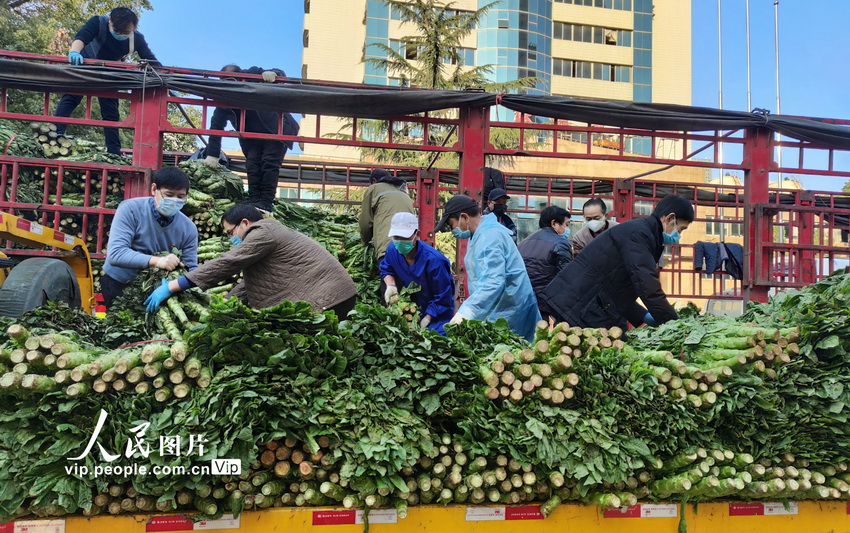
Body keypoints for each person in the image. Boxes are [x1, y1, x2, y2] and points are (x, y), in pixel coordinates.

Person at [144, 203, 357, 316]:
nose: (230, 239)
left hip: (330, 299)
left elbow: (228, 262)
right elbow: (251, 284)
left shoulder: (263, 231)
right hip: (336, 296)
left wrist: (174, 285)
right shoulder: (269, 232)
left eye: (230, 232)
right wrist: (223, 304)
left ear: (245, 223)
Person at [540, 194, 694, 329]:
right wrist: (673, 323)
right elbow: (647, 286)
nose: (678, 235)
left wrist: (642, 315)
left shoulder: (642, 233)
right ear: (669, 218)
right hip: (577, 303)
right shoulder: (639, 235)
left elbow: (617, 288)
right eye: (680, 229)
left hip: (584, 302)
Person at [54, 7, 160, 155]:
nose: (123, 35)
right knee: (71, 97)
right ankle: (55, 134)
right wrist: (74, 52)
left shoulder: (137, 38)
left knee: (110, 113)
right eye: (119, 32)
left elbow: (150, 59)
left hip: (110, 73)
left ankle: (114, 151)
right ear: (110, 21)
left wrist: (163, 75)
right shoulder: (98, 22)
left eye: (127, 32)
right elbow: (82, 37)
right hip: (86, 65)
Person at [435, 195, 541, 342]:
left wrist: (467, 311)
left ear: (464, 217)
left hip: (510, 311)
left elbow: (493, 283)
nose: (453, 230)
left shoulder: (489, 237)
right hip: (502, 308)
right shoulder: (480, 234)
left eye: (451, 224)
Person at [203, 64, 300, 212]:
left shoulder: (252, 74)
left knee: (269, 163)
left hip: (276, 128)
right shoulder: (224, 99)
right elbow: (216, 127)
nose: (230, 84)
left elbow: (280, 74)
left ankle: (266, 202)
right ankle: (254, 199)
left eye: (232, 80)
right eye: (225, 81)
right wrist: (213, 154)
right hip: (250, 137)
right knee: (253, 165)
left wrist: (272, 74)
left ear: (241, 75)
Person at [102, 167, 198, 307]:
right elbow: (116, 254)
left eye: (180, 196)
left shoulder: (188, 228)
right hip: (119, 284)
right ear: (154, 190)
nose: (174, 201)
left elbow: (191, 268)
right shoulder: (130, 209)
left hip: (157, 290)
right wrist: (158, 261)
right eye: (169, 194)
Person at [380, 213, 455, 335]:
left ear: (417, 235)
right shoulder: (392, 249)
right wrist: (391, 285)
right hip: (413, 311)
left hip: (438, 316)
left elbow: (443, 296)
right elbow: (386, 268)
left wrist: (428, 318)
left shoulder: (435, 261)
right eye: (396, 237)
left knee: (435, 343)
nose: (400, 241)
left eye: (405, 238)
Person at [518, 206, 573, 322]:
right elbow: (567, 276)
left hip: (523, 298)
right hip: (546, 302)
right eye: (567, 224)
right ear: (554, 223)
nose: (568, 229)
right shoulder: (561, 243)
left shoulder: (525, 241)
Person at [359, 169, 415, 263]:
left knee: (388, 276)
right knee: (405, 277)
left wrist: (364, 241)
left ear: (373, 181)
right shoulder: (404, 193)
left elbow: (365, 222)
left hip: (388, 248)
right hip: (409, 249)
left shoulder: (374, 188)